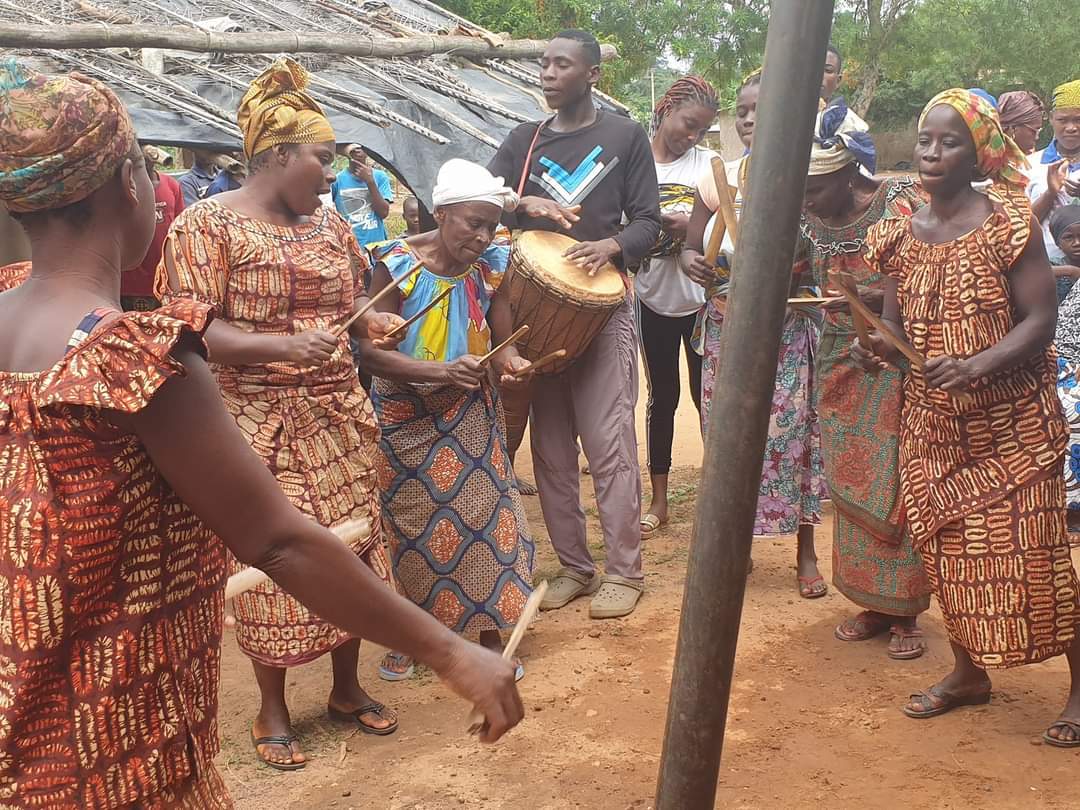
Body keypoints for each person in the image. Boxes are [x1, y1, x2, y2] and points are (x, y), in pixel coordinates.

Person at [0, 60, 523, 809]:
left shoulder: (11, 308)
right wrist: (453, 653)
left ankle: (344, 688)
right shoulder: (135, 361)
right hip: (112, 737)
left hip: (25, 703)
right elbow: (277, 542)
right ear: (128, 185)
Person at [156, 58, 402, 771]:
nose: (330, 174)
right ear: (279, 156)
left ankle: (347, 690)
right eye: (321, 159)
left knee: (352, 548)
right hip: (253, 425)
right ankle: (272, 704)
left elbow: (357, 301)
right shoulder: (205, 225)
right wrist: (284, 344)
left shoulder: (326, 224)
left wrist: (369, 329)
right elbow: (192, 327)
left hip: (340, 420)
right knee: (277, 559)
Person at [858, 89, 1080, 747]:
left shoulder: (1010, 223)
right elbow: (897, 336)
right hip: (933, 428)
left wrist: (979, 364)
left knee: (1039, 557)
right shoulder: (898, 235)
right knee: (946, 554)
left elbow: (1040, 322)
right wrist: (879, 350)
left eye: (949, 141)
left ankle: (1079, 689)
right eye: (926, 139)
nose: (932, 152)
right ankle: (968, 674)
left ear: (978, 151)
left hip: (1014, 425)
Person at [487, 29, 660, 619]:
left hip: (603, 308)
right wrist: (523, 203)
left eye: (562, 64)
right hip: (536, 315)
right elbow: (479, 199)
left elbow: (648, 223)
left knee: (608, 440)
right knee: (552, 447)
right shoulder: (524, 141)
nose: (548, 72)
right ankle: (575, 568)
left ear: (592, 75)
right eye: (544, 63)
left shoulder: (624, 135)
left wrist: (610, 245)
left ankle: (624, 572)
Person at [357, 159, 536, 682]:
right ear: (440, 214)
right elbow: (369, 356)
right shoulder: (396, 263)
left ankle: (489, 637)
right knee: (410, 523)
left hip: (468, 407)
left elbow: (501, 342)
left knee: (486, 515)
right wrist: (437, 369)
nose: (482, 236)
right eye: (471, 224)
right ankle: (411, 637)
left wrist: (513, 363)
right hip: (403, 410)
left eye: (489, 225)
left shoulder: (491, 266)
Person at [683, 69, 828, 598]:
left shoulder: (810, 177)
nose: (747, 119)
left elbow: (826, 250)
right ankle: (733, 547)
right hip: (723, 322)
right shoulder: (721, 178)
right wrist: (692, 262)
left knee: (794, 438)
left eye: (759, 110)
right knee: (728, 437)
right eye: (742, 110)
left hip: (787, 328)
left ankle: (805, 550)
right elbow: (692, 244)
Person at [799, 97, 931, 656]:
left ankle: (906, 611)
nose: (806, 202)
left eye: (814, 190)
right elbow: (800, 277)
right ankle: (870, 602)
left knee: (898, 478)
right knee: (852, 475)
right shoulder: (807, 217)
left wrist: (881, 298)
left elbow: (933, 272)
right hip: (840, 358)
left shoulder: (901, 206)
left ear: (850, 173)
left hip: (899, 355)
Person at [633, 76, 718, 537]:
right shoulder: (637, 163)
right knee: (661, 397)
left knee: (708, 398)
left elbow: (725, 218)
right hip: (652, 299)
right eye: (688, 125)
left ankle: (716, 497)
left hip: (703, 302)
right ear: (666, 110)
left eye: (701, 131)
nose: (693, 137)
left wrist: (687, 225)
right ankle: (659, 500)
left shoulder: (710, 165)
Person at [119, 144, 184, 312]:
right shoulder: (122, 187)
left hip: (165, 281)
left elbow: (179, 233)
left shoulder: (171, 185)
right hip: (130, 284)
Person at [1050, 205, 1080, 532]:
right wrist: (1069, 274)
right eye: (1068, 236)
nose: (1077, 243)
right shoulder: (1051, 269)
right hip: (1060, 361)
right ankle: (1069, 507)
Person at [1028, 80, 1080, 264]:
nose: (1071, 127)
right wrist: (1050, 193)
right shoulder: (1029, 165)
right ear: (1051, 118)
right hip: (1044, 270)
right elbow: (1021, 226)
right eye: (1063, 120)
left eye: (1078, 119)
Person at [333, 144, 394, 247]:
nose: (357, 148)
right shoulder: (336, 180)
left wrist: (370, 182)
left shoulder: (380, 177)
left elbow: (383, 213)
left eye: (361, 145)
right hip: (351, 247)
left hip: (377, 246)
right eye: (353, 145)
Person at [998, 89, 1046, 155]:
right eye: (1034, 131)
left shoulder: (1032, 158)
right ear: (1013, 128)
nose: (1037, 137)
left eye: (1039, 130)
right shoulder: (993, 160)